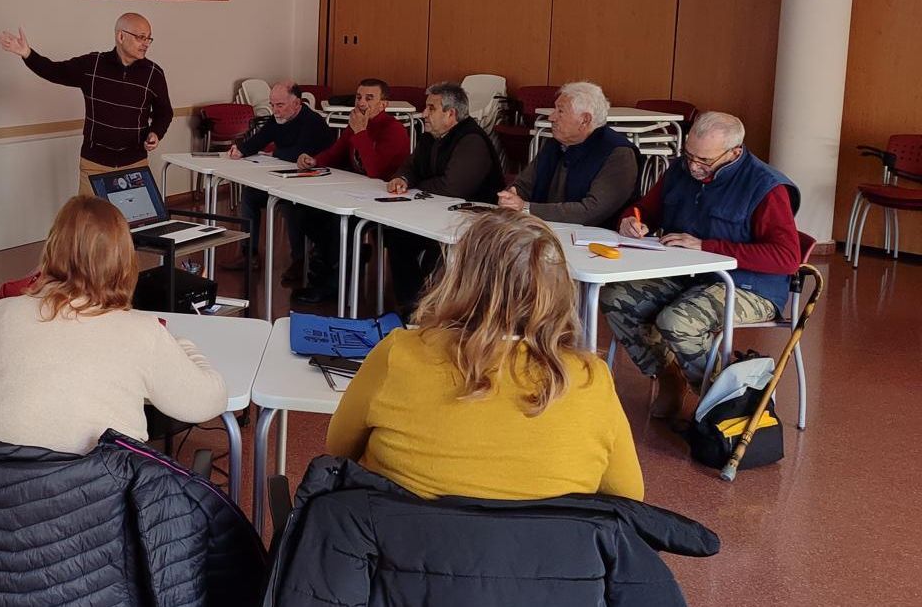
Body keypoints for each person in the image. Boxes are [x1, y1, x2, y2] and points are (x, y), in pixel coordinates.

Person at [326, 210, 643, 501]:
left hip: (398, 542)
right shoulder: (591, 379)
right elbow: (628, 496)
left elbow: (338, 448)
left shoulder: (399, 354)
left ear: (460, 278)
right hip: (543, 547)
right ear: (559, 290)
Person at [0, 196, 227, 454]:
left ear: (52, 249)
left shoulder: (2, 314)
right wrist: (183, 345)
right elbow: (206, 402)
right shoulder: (143, 332)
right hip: (98, 481)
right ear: (124, 260)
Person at [600, 112, 799, 418]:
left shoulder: (766, 187)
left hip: (750, 286)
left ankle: (724, 404)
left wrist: (707, 246)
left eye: (705, 160)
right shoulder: (680, 170)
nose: (693, 167)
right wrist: (631, 220)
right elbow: (644, 208)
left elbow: (787, 257)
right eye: (689, 155)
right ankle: (670, 378)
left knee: (677, 321)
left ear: (734, 153)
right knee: (616, 297)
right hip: (688, 275)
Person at [0, 13, 172, 194]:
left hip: (134, 162)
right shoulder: (93, 65)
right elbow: (55, 71)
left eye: (149, 38)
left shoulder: (154, 73)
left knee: (133, 213)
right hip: (94, 164)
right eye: (140, 37)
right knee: (89, 213)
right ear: (121, 36)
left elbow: (165, 112)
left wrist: (156, 132)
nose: (146, 43)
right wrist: (27, 54)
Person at [383, 82, 505, 308]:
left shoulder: (472, 140)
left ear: (451, 114)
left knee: (436, 249)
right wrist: (403, 179)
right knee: (397, 236)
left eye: (431, 108)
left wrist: (416, 185)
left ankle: (431, 308)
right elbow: (411, 166)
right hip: (438, 212)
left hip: (474, 221)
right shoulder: (431, 136)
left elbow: (452, 188)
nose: (424, 114)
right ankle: (412, 306)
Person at [292, 79, 411, 305]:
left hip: (386, 198)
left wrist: (361, 132)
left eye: (369, 98)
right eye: (358, 97)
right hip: (357, 192)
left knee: (339, 223)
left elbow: (375, 171)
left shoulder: (393, 130)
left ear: (383, 104)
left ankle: (333, 284)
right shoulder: (356, 124)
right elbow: (335, 153)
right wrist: (314, 160)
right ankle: (343, 260)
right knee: (308, 213)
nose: (361, 103)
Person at [219, 80, 335, 274]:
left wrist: (275, 153)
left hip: (314, 182)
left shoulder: (312, 122)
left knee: (290, 206)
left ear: (296, 103)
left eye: (280, 105)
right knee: (249, 196)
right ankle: (249, 254)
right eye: (272, 105)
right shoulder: (278, 119)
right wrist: (241, 150)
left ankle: (299, 260)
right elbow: (261, 138)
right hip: (285, 177)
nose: (275, 111)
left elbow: (298, 153)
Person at [497, 81, 638, 227]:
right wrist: (511, 197)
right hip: (546, 228)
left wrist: (526, 208)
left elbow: (590, 211)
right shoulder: (555, 144)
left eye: (560, 111)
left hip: (594, 237)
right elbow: (524, 185)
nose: (551, 117)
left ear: (584, 120)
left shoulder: (618, 154)